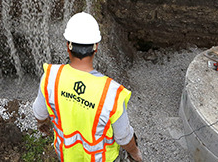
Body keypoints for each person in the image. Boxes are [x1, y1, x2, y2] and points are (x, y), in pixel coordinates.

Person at [33, 12, 143, 162]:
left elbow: (40, 114)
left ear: (68, 45)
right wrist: (135, 153)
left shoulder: (51, 77)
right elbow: (123, 137)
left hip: (66, 155)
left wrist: (42, 124)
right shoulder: (111, 92)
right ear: (95, 47)